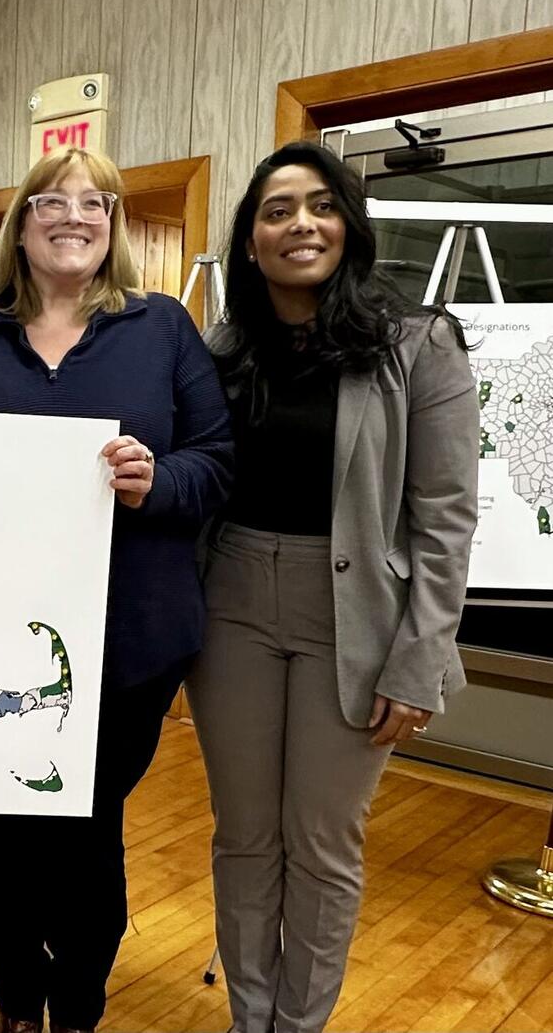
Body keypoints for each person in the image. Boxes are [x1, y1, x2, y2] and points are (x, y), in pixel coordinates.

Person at [0, 146, 233, 1033]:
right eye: (52, 201)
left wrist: (155, 480)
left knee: (86, 831)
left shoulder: (162, 328)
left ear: (113, 225)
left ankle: (78, 1008)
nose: (74, 215)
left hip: (127, 641)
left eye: (96, 202)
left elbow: (215, 461)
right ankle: (19, 1002)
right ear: (22, 225)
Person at [185, 141, 477, 1033]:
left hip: (356, 615)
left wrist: (419, 660)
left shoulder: (416, 343)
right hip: (232, 603)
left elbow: (446, 518)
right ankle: (251, 1019)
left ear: (349, 224)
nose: (300, 224)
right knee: (244, 835)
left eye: (320, 205)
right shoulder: (221, 350)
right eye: (276, 211)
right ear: (250, 241)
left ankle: (298, 1025)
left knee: (321, 841)